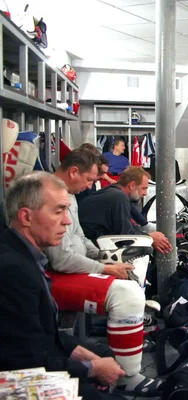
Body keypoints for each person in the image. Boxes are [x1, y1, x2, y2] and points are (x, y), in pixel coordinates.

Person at [43, 150, 161, 396]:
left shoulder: (70, 195)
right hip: (54, 276)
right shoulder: (48, 194)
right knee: (128, 294)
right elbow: (61, 259)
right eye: (89, 180)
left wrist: (100, 256)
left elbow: (79, 237)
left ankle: (129, 340)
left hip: (71, 266)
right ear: (74, 171)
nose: (91, 187)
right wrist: (105, 267)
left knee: (129, 272)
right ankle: (127, 376)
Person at [0, 172, 127, 400]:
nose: (67, 221)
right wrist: (92, 368)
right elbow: (25, 363)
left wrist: (81, 355)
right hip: (17, 381)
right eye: (58, 211)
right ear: (26, 217)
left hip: (32, 360)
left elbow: (41, 337)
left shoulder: (23, 255)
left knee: (104, 353)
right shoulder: (13, 271)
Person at [78, 166, 172, 254]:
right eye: (143, 188)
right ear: (132, 185)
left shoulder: (113, 193)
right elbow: (126, 236)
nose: (145, 193)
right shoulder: (119, 197)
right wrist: (150, 238)